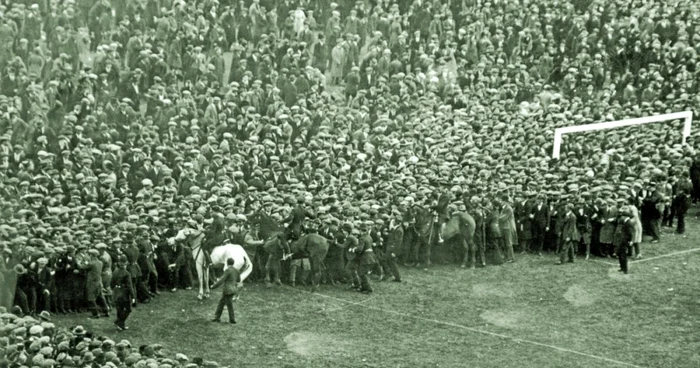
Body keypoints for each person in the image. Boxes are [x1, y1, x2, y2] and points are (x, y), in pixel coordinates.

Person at [210, 258, 239, 324]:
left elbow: (221, 280)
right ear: (233, 263)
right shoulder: (236, 270)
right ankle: (217, 317)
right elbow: (238, 280)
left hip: (227, 290)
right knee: (221, 303)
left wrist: (213, 286)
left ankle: (232, 320)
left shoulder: (228, 270)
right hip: (233, 289)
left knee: (229, 304)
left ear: (227, 263)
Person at [111, 255, 135, 331]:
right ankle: (119, 322)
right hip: (124, 293)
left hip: (117, 291)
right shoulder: (127, 273)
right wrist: (133, 296)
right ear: (126, 263)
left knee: (119, 309)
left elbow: (111, 283)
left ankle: (121, 325)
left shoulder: (115, 271)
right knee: (128, 309)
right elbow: (130, 286)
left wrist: (115, 289)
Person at [613, 207, 635, 274]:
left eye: (622, 216)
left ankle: (625, 270)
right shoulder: (626, 221)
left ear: (625, 216)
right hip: (622, 240)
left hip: (625, 241)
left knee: (623, 255)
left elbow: (631, 233)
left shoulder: (629, 223)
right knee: (620, 254)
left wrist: (631, 241)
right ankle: (622, 267)